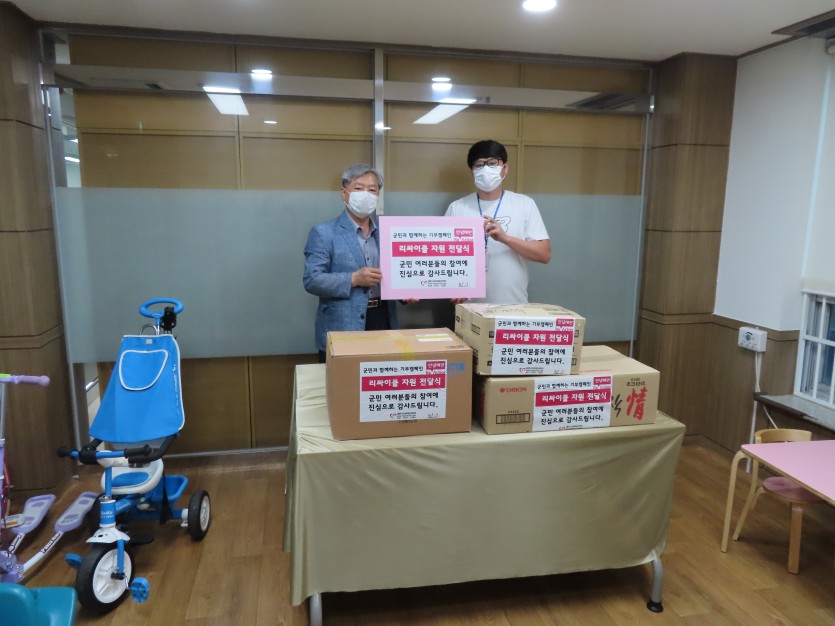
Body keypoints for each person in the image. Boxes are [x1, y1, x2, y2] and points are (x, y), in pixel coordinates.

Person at [303, 164, 396, 362]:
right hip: (342, 326)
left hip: (382, 319)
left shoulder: (388, 234)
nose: (366, 195)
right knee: (343, 381)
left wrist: (406, 293)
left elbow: (397, 274)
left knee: (380, 378)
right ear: (344, 193)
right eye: (359, 188)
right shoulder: (323, 232)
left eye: (372, 190)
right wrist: (354, 279)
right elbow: (312, 280)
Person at [445, 139, 551, 304]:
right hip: (469, 308)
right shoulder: (457, 208)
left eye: (492, 163)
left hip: (513, 306)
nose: (485, 169)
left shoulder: (524, 204)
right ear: (472, 171)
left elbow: (544, 254)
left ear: (505, 168)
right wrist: (452, 288)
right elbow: (443, 258)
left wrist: (505, 238)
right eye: (479, 164)